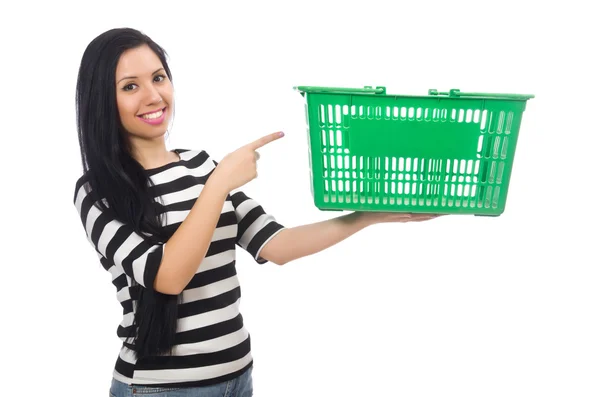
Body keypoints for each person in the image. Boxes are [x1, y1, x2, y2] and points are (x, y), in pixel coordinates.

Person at [73, 27, 440, 397]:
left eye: (158, 78)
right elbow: (167, 277)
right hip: (161, 388)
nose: (154, 96)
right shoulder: (96, 191)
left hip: (238, 377)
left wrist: (368, 215)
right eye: (130, 86)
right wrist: (218, 185)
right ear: (102, 99)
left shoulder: (202, 165)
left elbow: (276, 244)